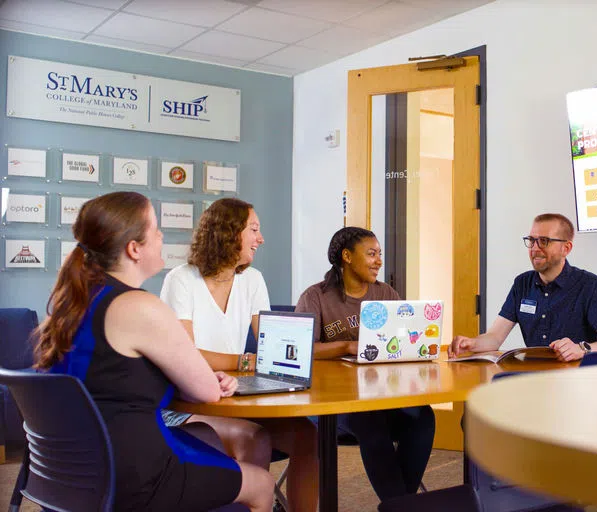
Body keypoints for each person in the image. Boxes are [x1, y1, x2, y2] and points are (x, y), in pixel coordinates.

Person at [33, 191, 273, 511]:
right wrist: (208, 378)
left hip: (72, 473)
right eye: (156, 230)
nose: (162, 237)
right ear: (134, 249)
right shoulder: (140, 306)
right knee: (262, 484)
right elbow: (206, 391)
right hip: (134, 476)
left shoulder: (74, 302)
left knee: (205, 435)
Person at [160, 198, 319, 511]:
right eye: (254, 230)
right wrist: (244, 362)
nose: (260, 239)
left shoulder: (252, 280)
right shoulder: (181, 280)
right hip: (187, 401)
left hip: (235, 395)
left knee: (307, 436)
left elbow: (270, 341)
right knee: (253, 438)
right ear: (228, 232)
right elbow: (187, 356)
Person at [295, 226, 435, 502]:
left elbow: (401, 344)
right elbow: (302, 351)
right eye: (371, 254)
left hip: (382, 396)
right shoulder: (315, 297)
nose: (378, 261)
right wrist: (347, 346)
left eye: (379, 254)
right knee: (369, 419)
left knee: (423, 417)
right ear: (346, 256)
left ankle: (399, 503)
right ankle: (401, 506)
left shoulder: (386, 294)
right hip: (331, 404)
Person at [450, 213, 597, 361]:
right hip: (534, 377)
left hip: (577, 382)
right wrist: (472, 343)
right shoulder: (522, 284)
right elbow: (495, 337)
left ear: (566, 248)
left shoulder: (589, 285)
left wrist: (581, 348)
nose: (535, 248)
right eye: (532, 240)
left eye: (544, 241)